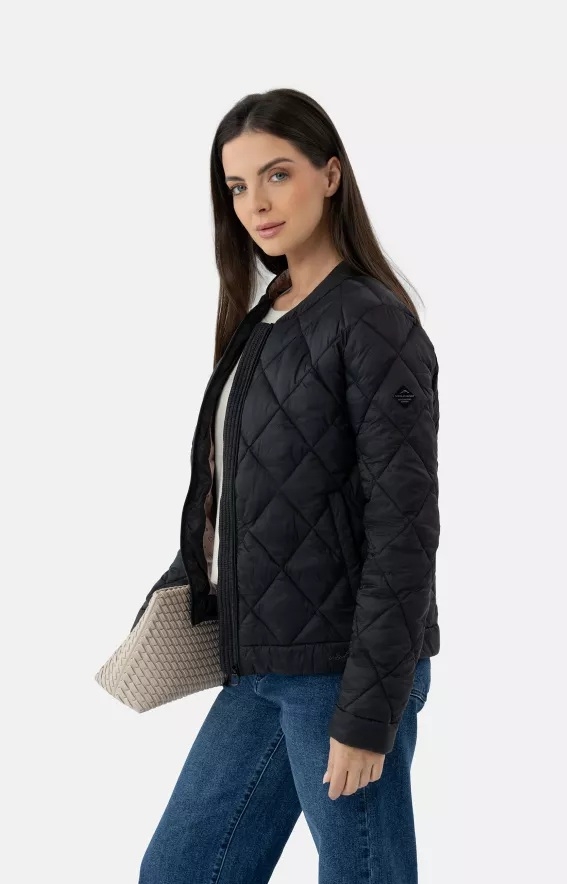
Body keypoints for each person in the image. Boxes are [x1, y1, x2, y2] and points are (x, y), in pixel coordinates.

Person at [138, 87, 440, 884]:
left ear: (330, 175)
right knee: (179, 871)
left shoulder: (371, 321)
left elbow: (405, 531)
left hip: (342, 672)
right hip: (261, 666)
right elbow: (245, 488)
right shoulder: (268, 314)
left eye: (277, 175)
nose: (257, 204)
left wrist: (368, 712)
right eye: (238, 187)